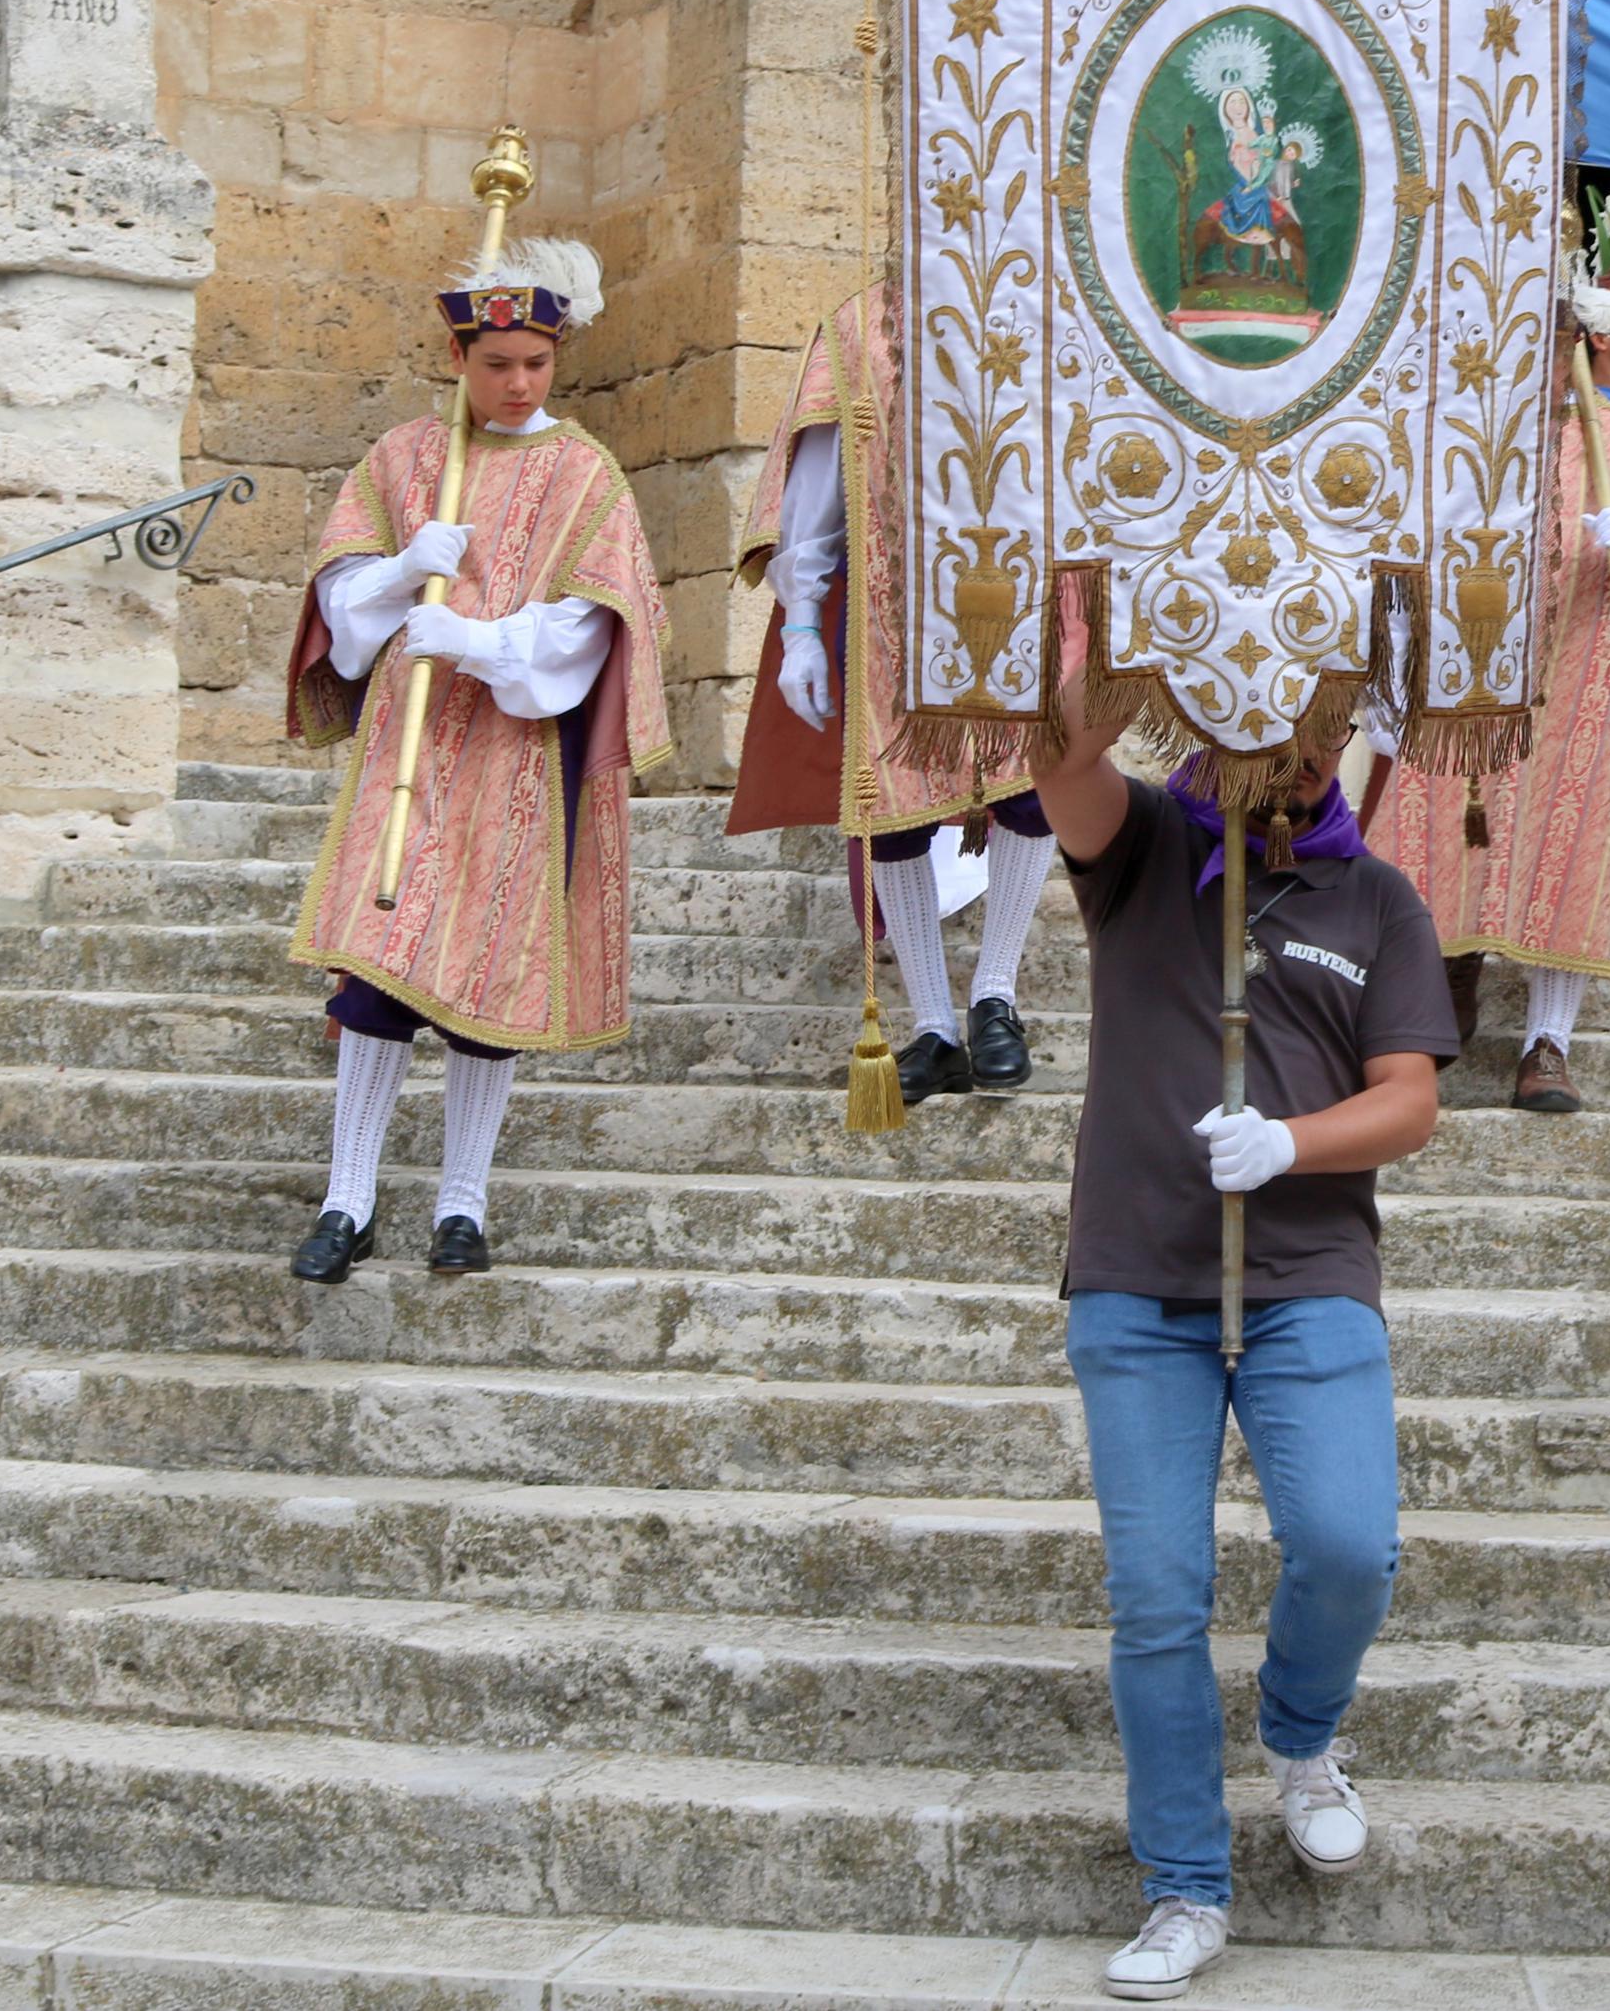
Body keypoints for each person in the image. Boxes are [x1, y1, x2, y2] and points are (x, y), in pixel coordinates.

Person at [1031, 695, 1458, 2001]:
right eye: (1279, 723)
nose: (1302, 757)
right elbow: (1055, 755)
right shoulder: (1146, 847)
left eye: (1330, 736)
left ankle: (1296, 1727)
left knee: (1345, 1540)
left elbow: (1410, 1097)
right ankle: (1182, 1882)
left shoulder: (1376, 899)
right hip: (1136, 1278)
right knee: (1155, 1595)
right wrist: (1135, 640)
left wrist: (1288, 1141)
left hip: (1306, 1275)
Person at [281, 238, 675, 1282]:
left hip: (513, 755)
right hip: (405, 747)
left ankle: (461, 1203)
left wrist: (483, 641)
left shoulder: (585, 473)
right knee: (376, 966)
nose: (517, 383)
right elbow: (338, 600)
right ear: (460, 357)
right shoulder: (404, 459)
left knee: (488, 981)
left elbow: (598, 623)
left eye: (534, 364)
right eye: (496, 362)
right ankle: (347, 1198)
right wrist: (402, 573)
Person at [1368, 284, 1610, 1114]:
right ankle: (1436, 993)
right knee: (1442, 839)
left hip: (1586, 673)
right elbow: (1398, 552)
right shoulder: (1459, 435)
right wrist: (1387, 673)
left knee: (1567, 847)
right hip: (1468, 676)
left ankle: (1547, 1042)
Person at [731, 282, 1060, 1098]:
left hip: (1019, 585)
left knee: (1030, 787)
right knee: (890, 805)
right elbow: (819, 476)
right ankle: (933, 1024)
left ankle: (996, 995)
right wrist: (801, 622)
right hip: (887, 601)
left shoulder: (1045, 292)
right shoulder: (857, 325)